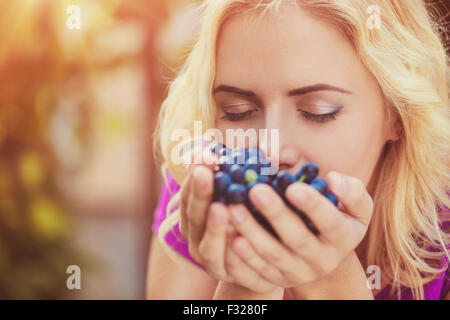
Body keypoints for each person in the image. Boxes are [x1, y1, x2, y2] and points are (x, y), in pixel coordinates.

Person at [147, 0, 449, 300]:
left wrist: (332, 281)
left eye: (318, 111)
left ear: (397, 116)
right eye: (237, 110)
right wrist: (249, 286)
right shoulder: (201, 190)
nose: (269, 150)